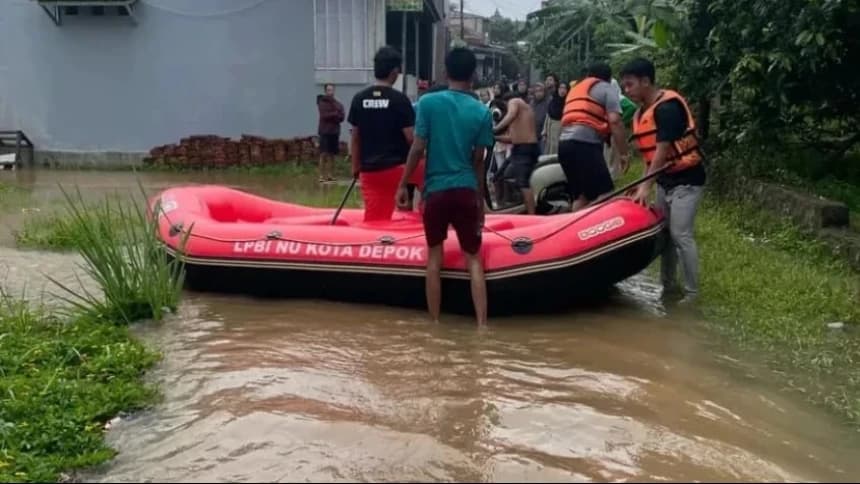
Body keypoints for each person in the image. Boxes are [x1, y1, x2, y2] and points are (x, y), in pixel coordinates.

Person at [396, 47, 494, 326]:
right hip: (465, 189)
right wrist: (480, 200)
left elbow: (417, 148)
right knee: (474, 259)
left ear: (445, 71)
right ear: (473, 75)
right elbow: (479, 161)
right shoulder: (481, 112)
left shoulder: (428, 103)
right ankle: (482, 326)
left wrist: (403, 184)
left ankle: (435, 325)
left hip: (435, 191)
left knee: (434, 259)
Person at [621, 57, 706, 305]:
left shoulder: (666, 108)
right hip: (665, 180)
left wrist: (647, 185)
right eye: (624, 86)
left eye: (630, 85)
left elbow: (662, 149)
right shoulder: (641, 113)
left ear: (646, 81)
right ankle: (668, 287)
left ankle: (692, 293)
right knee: (665, 235)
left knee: (681, 234)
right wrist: (642, 183)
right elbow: (651, 158)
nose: (627, 91)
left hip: (687, 180)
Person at [347, 46, 416, 222]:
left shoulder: (359, 99)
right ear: (394, 72)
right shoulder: (400, 100)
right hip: (397, 168)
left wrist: (356, 167)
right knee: (433, 173)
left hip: (370, 171)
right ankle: (428, 218)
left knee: (375, 217)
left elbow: (355, 136)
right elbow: (411, 138)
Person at [558, 62, 631, 211]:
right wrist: (624, 154)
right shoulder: (607, 88)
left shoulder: (575, 89)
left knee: (581, 196)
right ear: (609, 78)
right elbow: (615, 121)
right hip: (585, 145)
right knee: (606, 194)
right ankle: (601, 231)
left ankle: (575, 230)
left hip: (564, 145)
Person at [492, 92, 539, 214]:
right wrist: (494, 136)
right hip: (520, 148)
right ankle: (513, 205)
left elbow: (511, 115)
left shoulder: (515, 101)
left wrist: (496, 129)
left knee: (523, 182)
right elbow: (512, 138)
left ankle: (532, 214)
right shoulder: (522, 116)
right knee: (501, 175)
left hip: (525, 148)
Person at [316, 83, 344, 183]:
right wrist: (335, 114)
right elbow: (324, 115)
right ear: (325, 91)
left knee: (332, 154)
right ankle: (321, 175)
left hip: (334, 132)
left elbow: (342, 117)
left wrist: (335, 115)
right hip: (324, 131)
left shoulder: (338, 104)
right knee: (323, 154)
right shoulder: (322, 102)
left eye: (332, 90)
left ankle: (330, 175)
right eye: (328, 90)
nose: (330, 92)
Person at [543, 80, 567, 156]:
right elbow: (548, 116)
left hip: (563, 131)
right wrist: (545, 132)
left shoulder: (568, 103)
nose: (562, 90)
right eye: (560, 88)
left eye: (565, 88)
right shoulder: (553, 101)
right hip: (551, 132)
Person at [530, 82, 550, 153]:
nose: (538, 93)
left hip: (543, 137)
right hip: (532, 136)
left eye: (541, 91)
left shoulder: (548, 103)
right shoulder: (531, 103)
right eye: (537, 91)